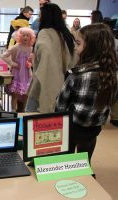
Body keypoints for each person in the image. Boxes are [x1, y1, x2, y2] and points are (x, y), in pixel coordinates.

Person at [55, 23, 118, 162]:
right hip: (94, 127)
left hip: (72, 127)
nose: (76, 48)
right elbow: (112, 101)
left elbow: (60, 106)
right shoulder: (113, 75)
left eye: (78, 44)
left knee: (66, 162)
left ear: (91, 48)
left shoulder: (77, 74)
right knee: (85, 160)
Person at [25, 3, 75, 113]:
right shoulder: (65, 34)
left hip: (43, 81)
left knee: (32, 117)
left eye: (40, 16)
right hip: (63, 83)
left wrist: (41, 58)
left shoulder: (45, 32)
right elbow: (74, 59)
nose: (39, 19)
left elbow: (44, 49)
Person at [2, 27, 36, 112]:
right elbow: (4, 56)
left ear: (30, 37)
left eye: (27, 36)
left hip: (27, 75)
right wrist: (14, 64)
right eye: (23, 35)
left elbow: (34, 61)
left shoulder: (31, 49)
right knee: (15, 95)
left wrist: (30, 63)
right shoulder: (16, 47)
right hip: (17, 74)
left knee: (26, 95)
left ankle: (24, 113)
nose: (25, 37)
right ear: (20, 37)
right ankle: (14, 112)